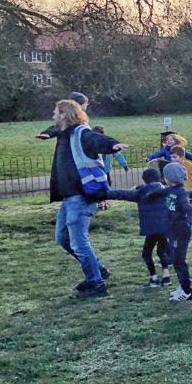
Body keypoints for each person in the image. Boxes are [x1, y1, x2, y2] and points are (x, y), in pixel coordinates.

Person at [48, 99, 128, 297]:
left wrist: (113, 144)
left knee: (78, 242)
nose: (53, 115)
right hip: (69, 197)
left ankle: (96, 283)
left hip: (81, 195)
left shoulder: (81, 133)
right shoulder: (64, 134)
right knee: (62, 237)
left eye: (55, 112)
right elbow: (53, 128)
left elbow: (96, 140)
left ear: (65, 114)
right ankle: (97, 270)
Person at [105, 168, 171, 288]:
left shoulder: (140, 193)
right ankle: (166, 277)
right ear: (159, 178)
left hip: (151, 229)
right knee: (161, 251)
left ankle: (154, 278)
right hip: (165, 227)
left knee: (146, 254)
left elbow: (120, 194)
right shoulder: (167, 191)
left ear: (144, 180)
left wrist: (102, 193)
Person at [161, 162, 192, 302]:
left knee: (179, 261)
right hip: (173, 231)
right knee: (175, 260)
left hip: (181, 231)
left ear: (169, 178)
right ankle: (182, 286)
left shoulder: (180, 192)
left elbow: (188, 208)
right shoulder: (171, 190)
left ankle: (187, 291)